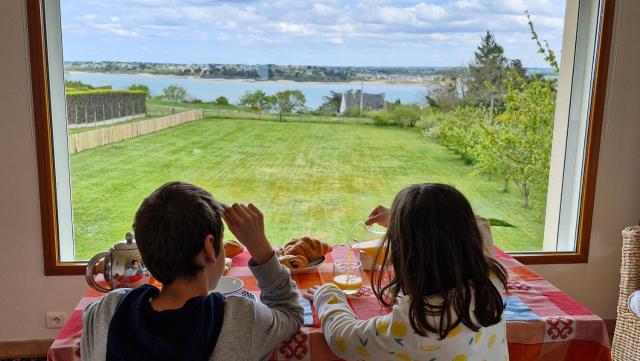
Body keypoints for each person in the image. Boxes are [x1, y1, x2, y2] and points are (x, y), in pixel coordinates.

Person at [81, 181, 303, 361]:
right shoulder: (241, 318)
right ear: (209, 246)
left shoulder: (104, 312)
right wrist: (261, 249)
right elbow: (291, 312)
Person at [305, 183, 509, 361]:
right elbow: (479, 224)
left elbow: (344, 340)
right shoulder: (492, 281)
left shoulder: (416, 325)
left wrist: (328, 295)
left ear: (408, 253)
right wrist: (402, 218)